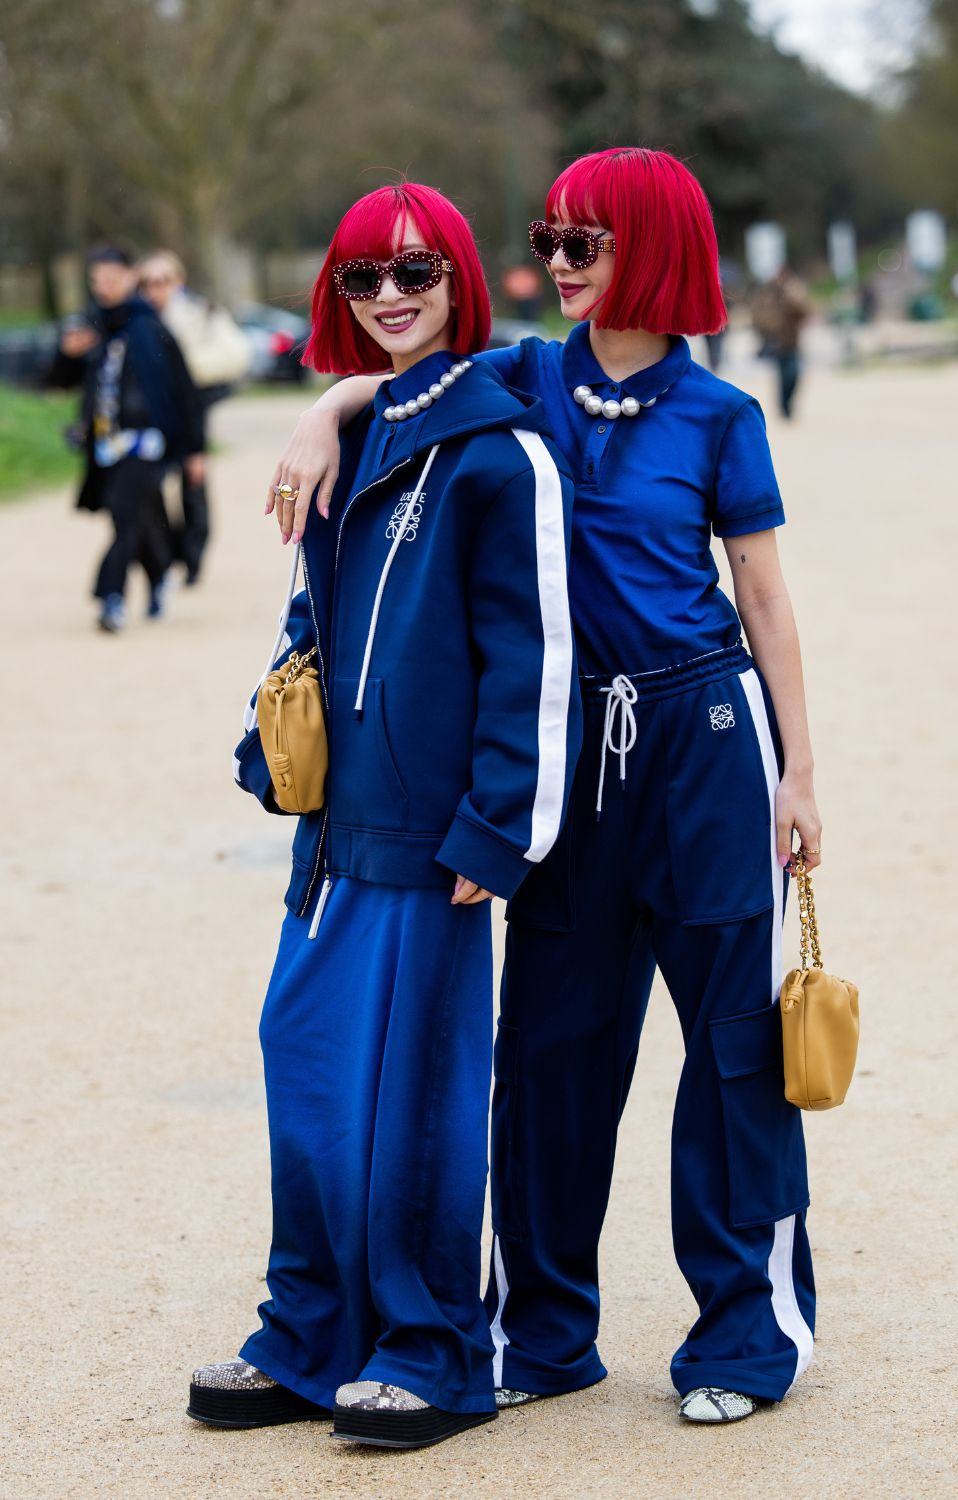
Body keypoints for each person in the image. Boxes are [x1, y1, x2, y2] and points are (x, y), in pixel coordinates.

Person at [268, 147, 824, 1428]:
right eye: (550, 240)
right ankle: (547, 1332)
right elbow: (403, 377)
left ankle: (745, 1332)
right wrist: (323, 410)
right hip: (572, 757)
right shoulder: (524, 375)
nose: (559, 265)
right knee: (552, 1058)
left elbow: (765, 596)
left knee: (735, 1053)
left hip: (703, 739)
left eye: (588, 243)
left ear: (657, 249)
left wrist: (800, 770)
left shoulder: (721, 418)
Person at [187, 184, 578, 1450]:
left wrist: (498, 827)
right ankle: (307, 1336)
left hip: (434, 839)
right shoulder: (351, 440)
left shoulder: (501, 448)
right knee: (301, 1063)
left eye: (414, 269)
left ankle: (433, 1352)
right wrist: (272, 742)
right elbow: (318, 621)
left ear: (460, 276)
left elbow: (535, 655)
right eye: (363, 276)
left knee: (416, 1099)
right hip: (333, 832)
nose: (391, 294)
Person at [46, 244, 205, 631]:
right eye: (97, 280)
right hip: (104, 444)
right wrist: (67, 355)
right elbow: (58, 382)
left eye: (112, 279)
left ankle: (110, 596)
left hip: (147, 441)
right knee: (139, 518)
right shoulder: (91, 328)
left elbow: (185, 391)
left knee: (123, 511)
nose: (104, 287)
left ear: (131, 278)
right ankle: (159, 572)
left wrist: (195, 449)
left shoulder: (151, 328)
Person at [138, 251, 252, 584]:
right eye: (147, 283)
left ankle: (193, 555)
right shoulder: (139, 320)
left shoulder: (199, 312)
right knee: (151, 487)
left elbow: (235, 354)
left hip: (190, 410)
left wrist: (183, 372)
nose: (154, 290)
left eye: (162, 281)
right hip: (150, 413)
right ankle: (166, 553)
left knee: (193, 483)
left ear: (178, 282)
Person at [750, 266, 811, 419]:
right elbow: (758, 316)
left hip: (792, 341)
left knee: (794, 375)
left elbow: (805, 311)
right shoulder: (767, 295)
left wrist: (790, 297)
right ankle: (784, 407)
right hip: (775, 341)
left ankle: (788, 403)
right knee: (783, 376)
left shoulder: (794, 293)